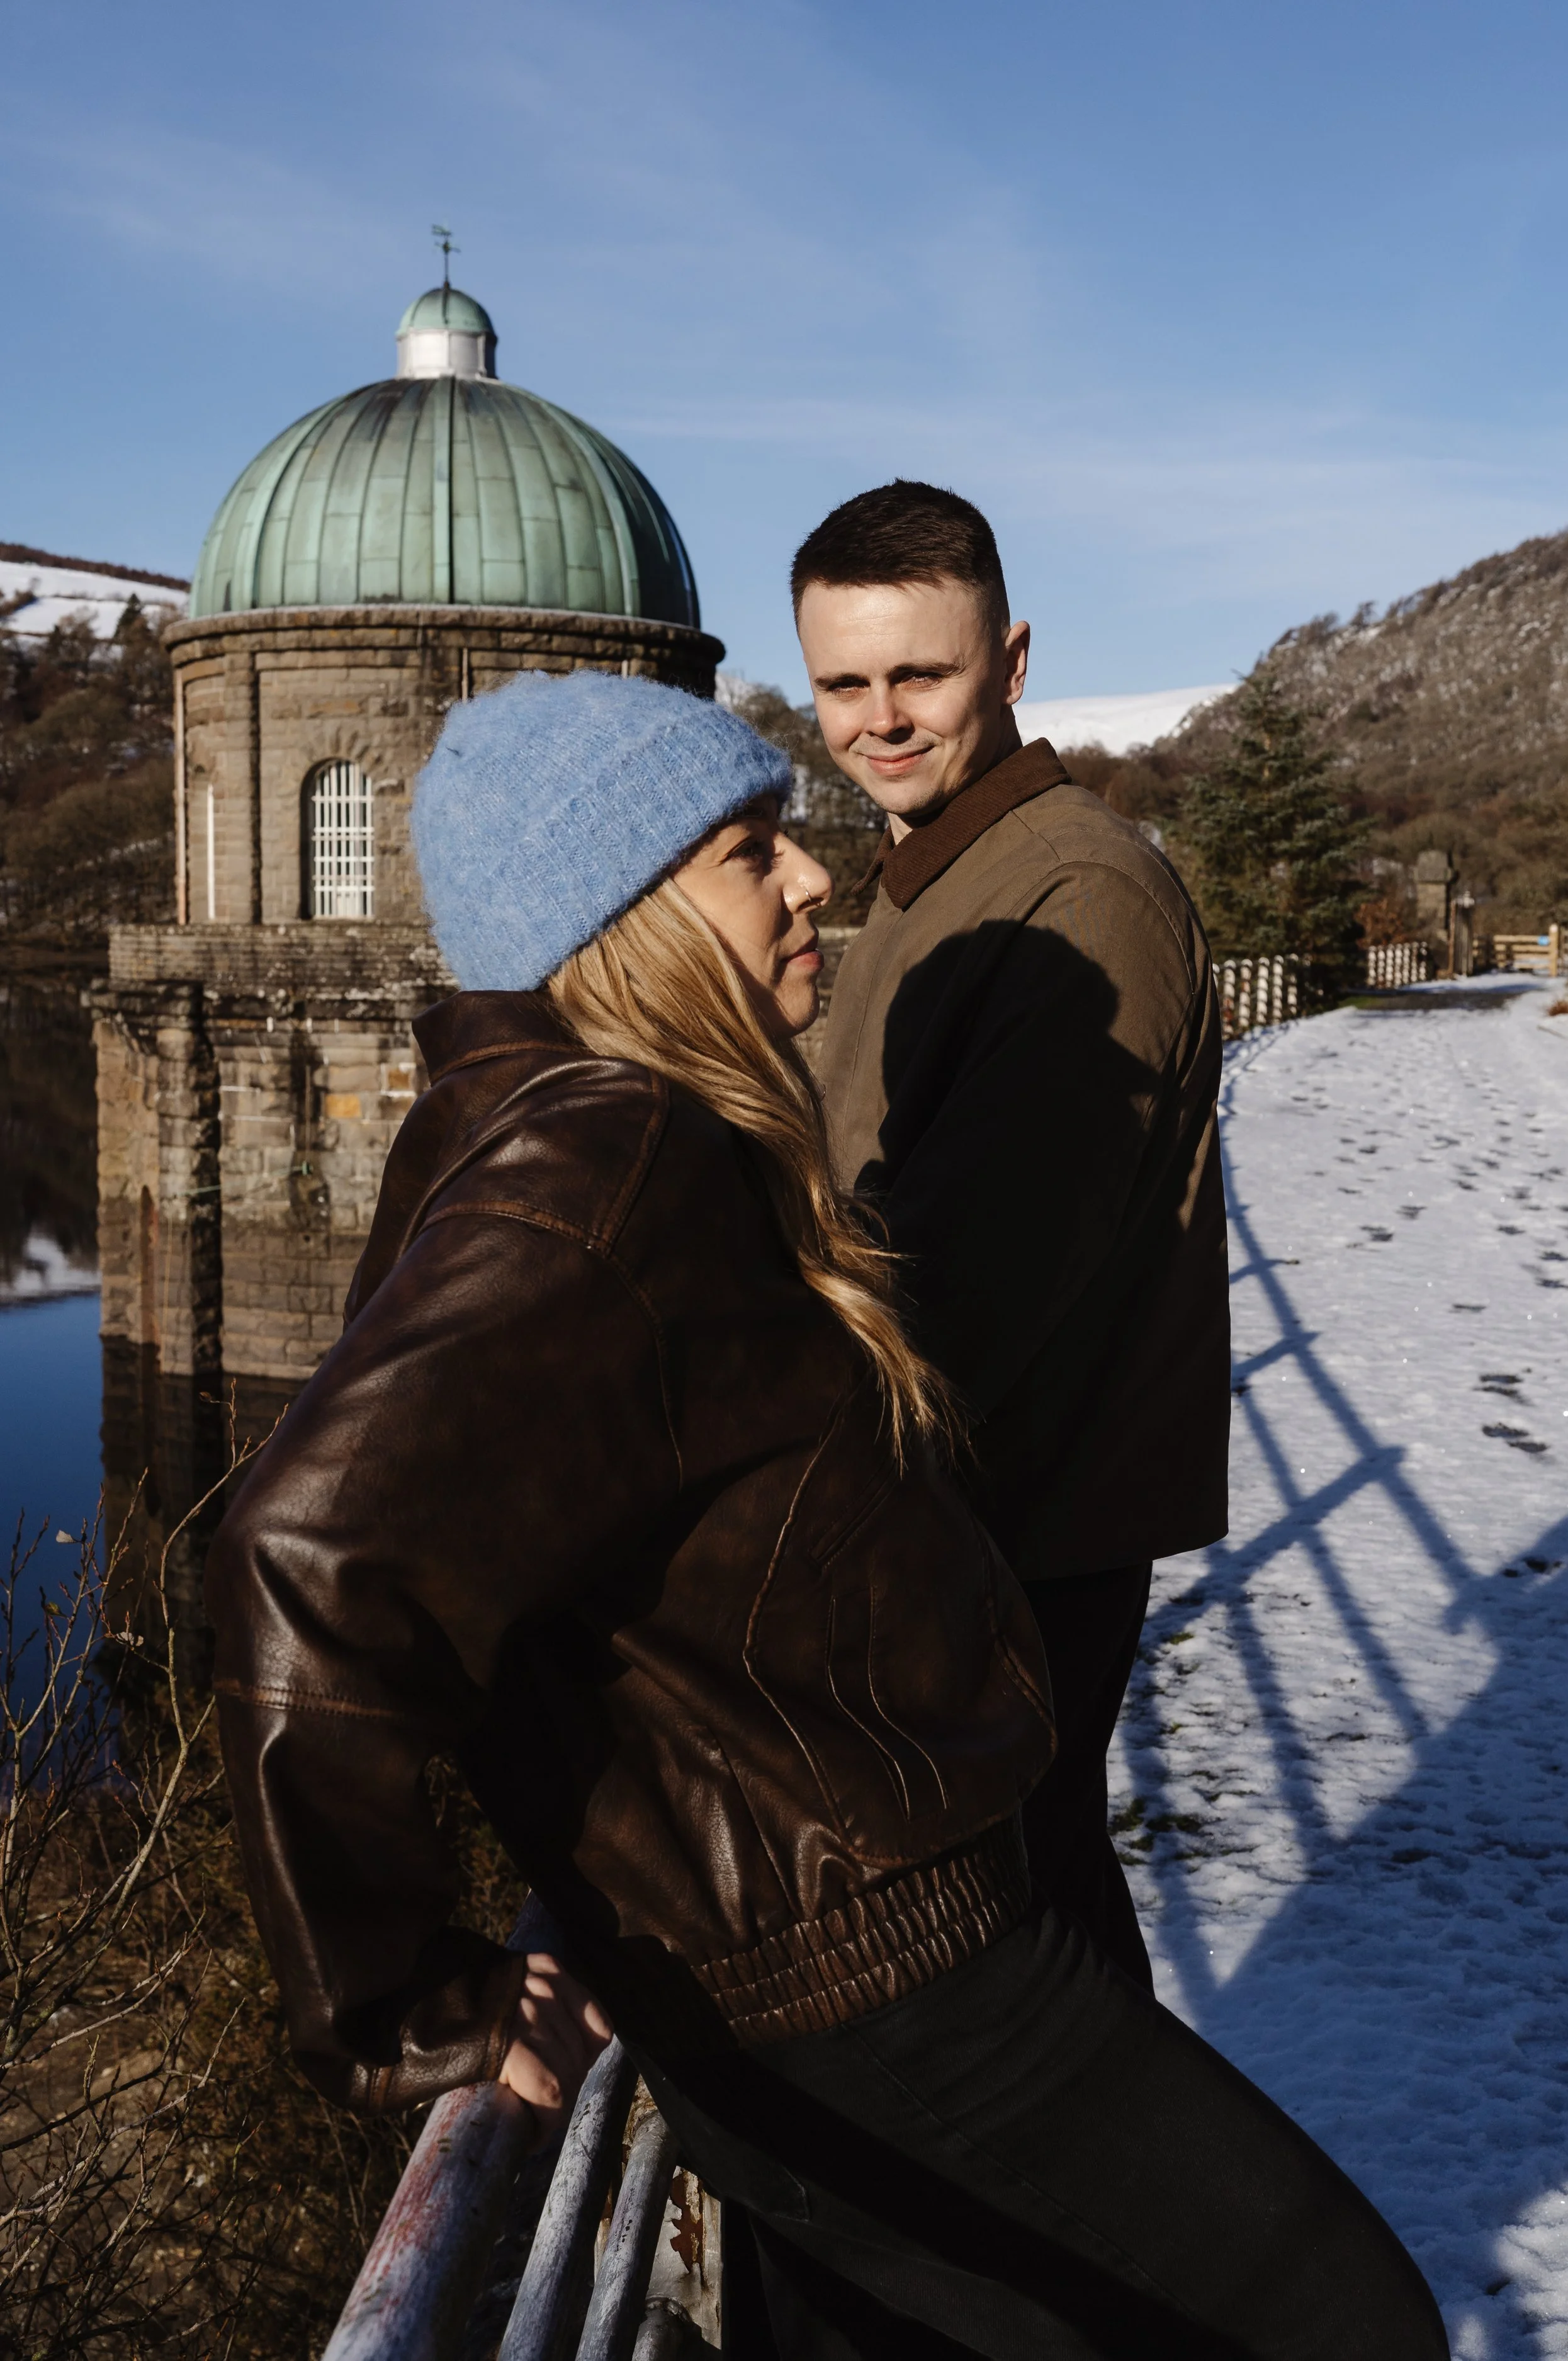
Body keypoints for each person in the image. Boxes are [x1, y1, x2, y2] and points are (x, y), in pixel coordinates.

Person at [206, 669, 1445, 2359]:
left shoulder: (554, 1126)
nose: (810, 877)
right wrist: (400, 1999)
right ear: (622, 917)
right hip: (869, 1974)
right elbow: (307, 1550)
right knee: (1345, 2319)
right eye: (745, 851)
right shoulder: (605, 1162)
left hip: (795, 1959)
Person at [801, 481, 1227, 1991]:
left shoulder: (1073, 893)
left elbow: (969, 1289)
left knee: (1019, 1956)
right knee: (1021, 1936)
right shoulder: (938, 869)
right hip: (968, 1518)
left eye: (919, 674)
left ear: (1011, 661)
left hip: (1011, 1525)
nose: (880, 720)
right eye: (843, 684)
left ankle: (1146, 2158)